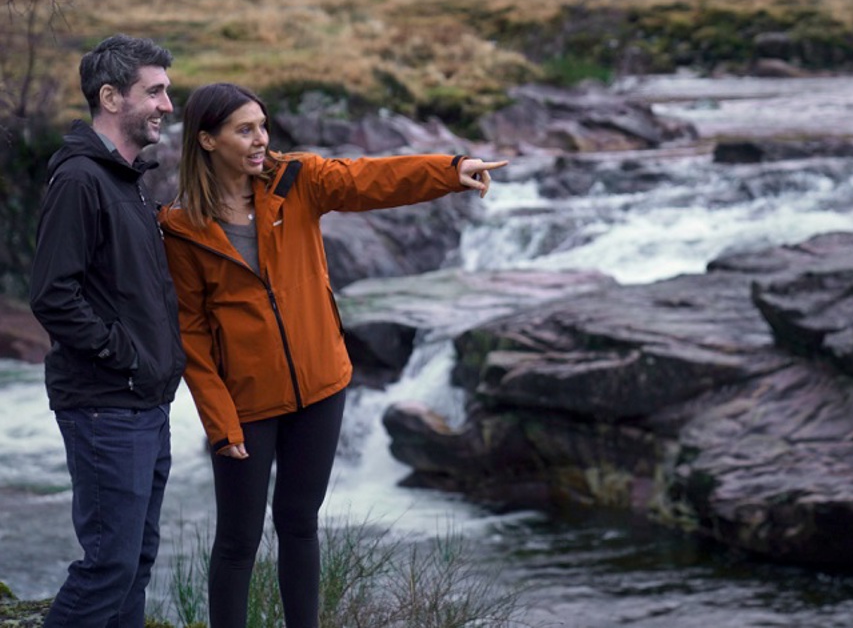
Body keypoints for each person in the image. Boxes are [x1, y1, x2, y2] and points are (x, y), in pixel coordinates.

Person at [157, 81, 507, 628]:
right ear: (206, 140)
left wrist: (450, 169)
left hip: (321, 388)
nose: (260, 140)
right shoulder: (182, 227)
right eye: (244, 130)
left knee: (299, 522)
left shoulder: (297, 181)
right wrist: (222, 425)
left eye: (262, 126)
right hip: (247, 404)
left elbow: (370, 179)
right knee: (237, 540)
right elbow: (193, 335)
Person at [29, 34, 187, 627]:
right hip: (105, 405)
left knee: (135, 563)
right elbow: (53, 295)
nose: (167, 106)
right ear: (111, 97)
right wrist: (126, 356)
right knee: (108, 568)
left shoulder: (124, 178)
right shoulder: (80, 180)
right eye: (155, 91)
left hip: (142, 402)